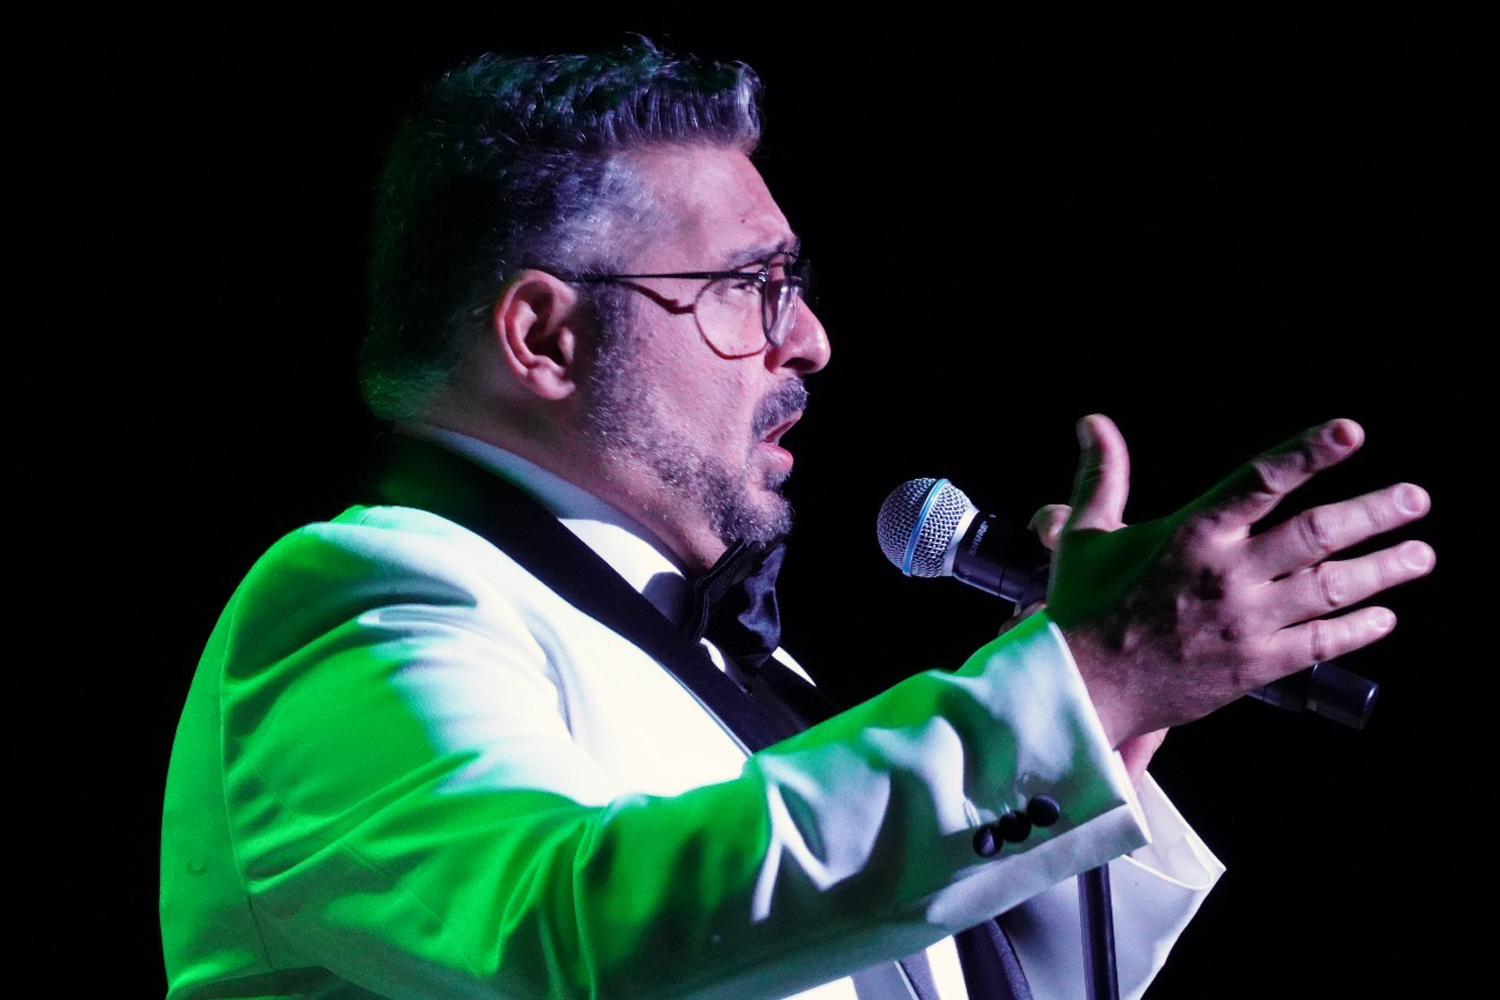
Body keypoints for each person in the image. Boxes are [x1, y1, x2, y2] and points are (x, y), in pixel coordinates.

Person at [159, 42, 1435, 1000]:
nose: (809, 340)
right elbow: (577, 942)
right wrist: (1078, 688)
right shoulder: (363, 596)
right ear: (546, 334)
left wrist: (1112, 731)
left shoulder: (742, 669)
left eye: (795, 287)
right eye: (748, 287)